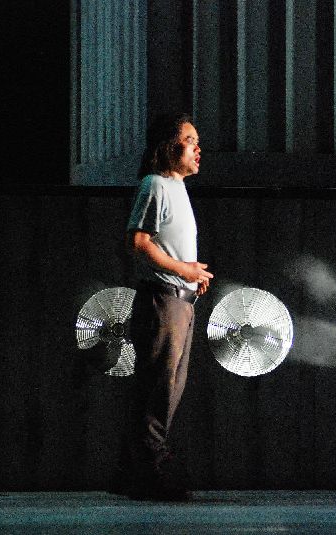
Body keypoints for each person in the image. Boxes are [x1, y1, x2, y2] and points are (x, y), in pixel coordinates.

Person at [120, 112, 213, 501]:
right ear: (168, 146)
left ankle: (135, 472)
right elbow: (139, 242)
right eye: (190, 141)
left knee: (169, 386)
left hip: (180, 299)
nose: (198, 149)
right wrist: (184, 270)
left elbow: (168, 246)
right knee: (160, 387)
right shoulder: (155, 184)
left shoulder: (177, 189)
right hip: (163, 300)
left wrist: (192, 276)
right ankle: (150, 473)